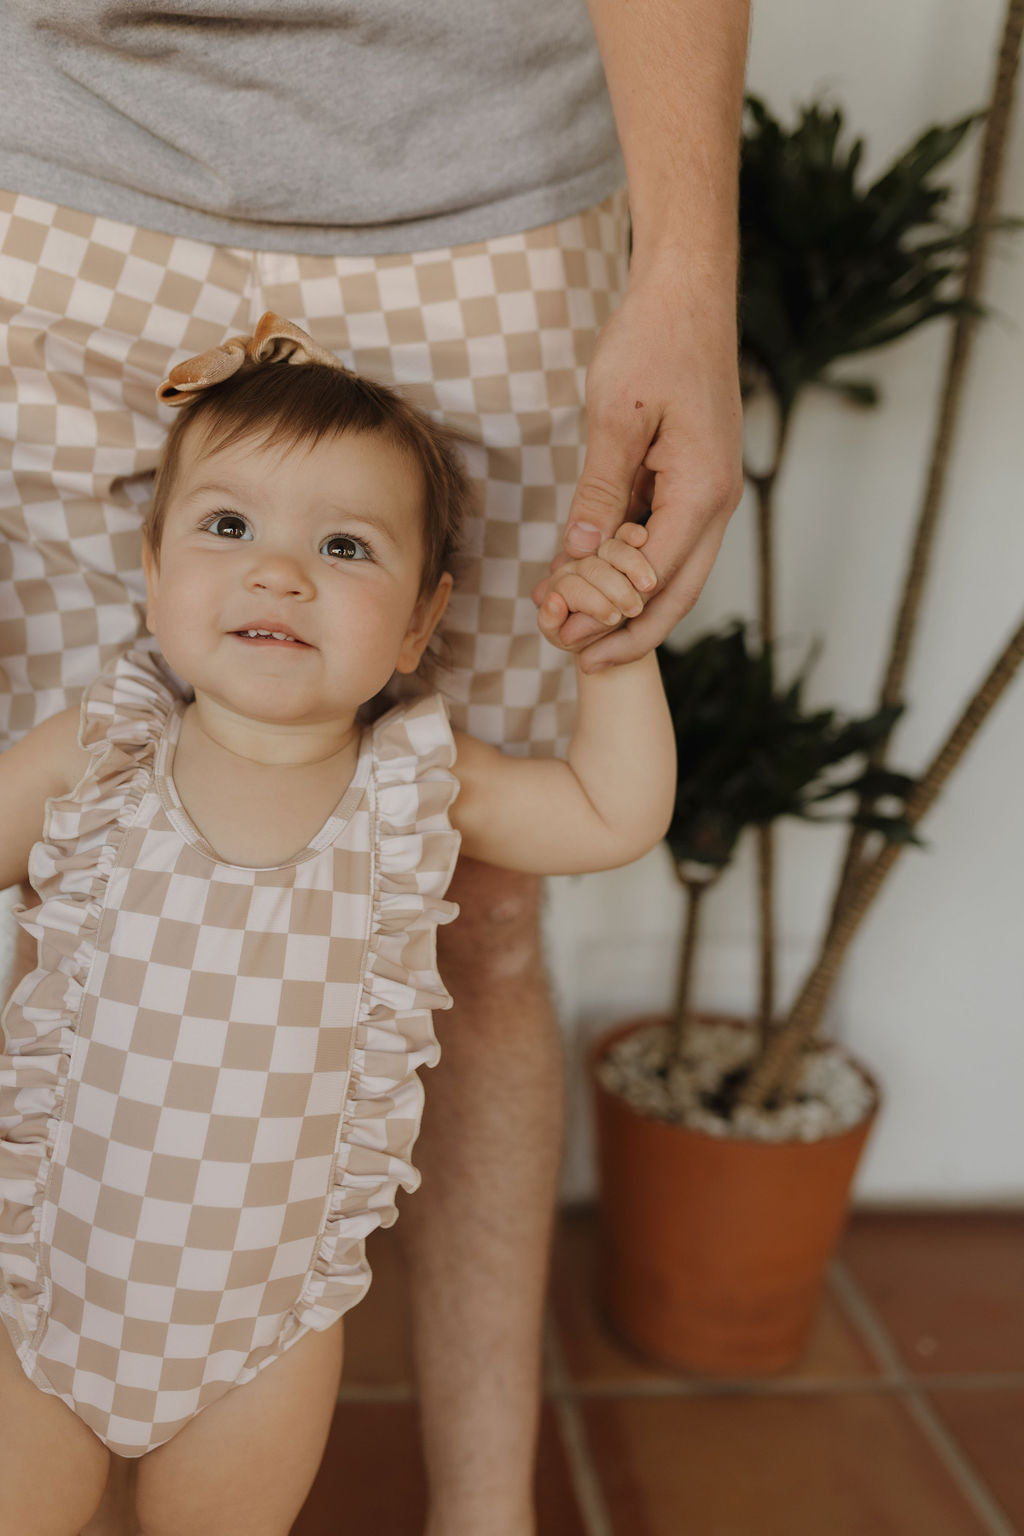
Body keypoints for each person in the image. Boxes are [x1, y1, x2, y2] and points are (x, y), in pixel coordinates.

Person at [0, 4, 748, 1530]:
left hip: (479, 194)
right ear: (150, 580)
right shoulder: (112, 736)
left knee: (490, 940)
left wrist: (610, 648)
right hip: (62, 172)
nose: (275, 576)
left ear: (424, 628)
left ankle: (488, 1513)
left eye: (340, 552)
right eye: (223, 535)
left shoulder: (421, 773)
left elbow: (610, 812)